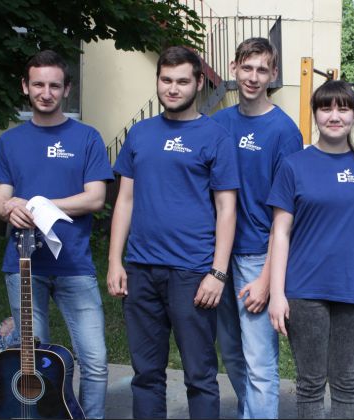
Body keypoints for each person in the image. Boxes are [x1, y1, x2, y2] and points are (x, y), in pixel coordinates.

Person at [107, 46, 239, 419]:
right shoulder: (140, 134)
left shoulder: (215, 136)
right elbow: (125, 201)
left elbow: (227, 209)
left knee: (200, 375)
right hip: (141, 270)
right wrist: (115, 261)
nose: (173, 88)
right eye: (166, 80)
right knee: (146, 375)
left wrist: (217, 273)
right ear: (158, 81)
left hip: (192, 273)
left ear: (198, 84)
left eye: (182, 81)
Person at [0, 50, 112, 419]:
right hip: (24, 265)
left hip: (74, 265)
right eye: (38, 85)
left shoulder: (87, 137)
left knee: (95, 360)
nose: (46, 93)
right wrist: (9, 208)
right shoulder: (10, 142)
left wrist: (39, 204)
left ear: (67, 89)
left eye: (54, 86)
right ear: (25, 87)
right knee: (34, 363)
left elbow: (95, 198)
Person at [268, 80, 354, 418]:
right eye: (326, 108)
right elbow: (280, 232)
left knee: (347, 384)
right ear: (315, 114)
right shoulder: (293, 166)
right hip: (305, 291)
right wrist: (277, 293)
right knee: (310, 383)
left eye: (343, 108)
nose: (334, 116)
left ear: (353, 114)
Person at [212, 37, 303, 419]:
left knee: (260, 361)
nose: (253, 77)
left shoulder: (284, 131)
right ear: (234, 68)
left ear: (273, 74)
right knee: (232, 353)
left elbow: (287, 212)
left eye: (262, 69)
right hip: (217, 255)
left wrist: (267, 277)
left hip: (257, 256)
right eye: (247, 68)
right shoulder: (217, 124)